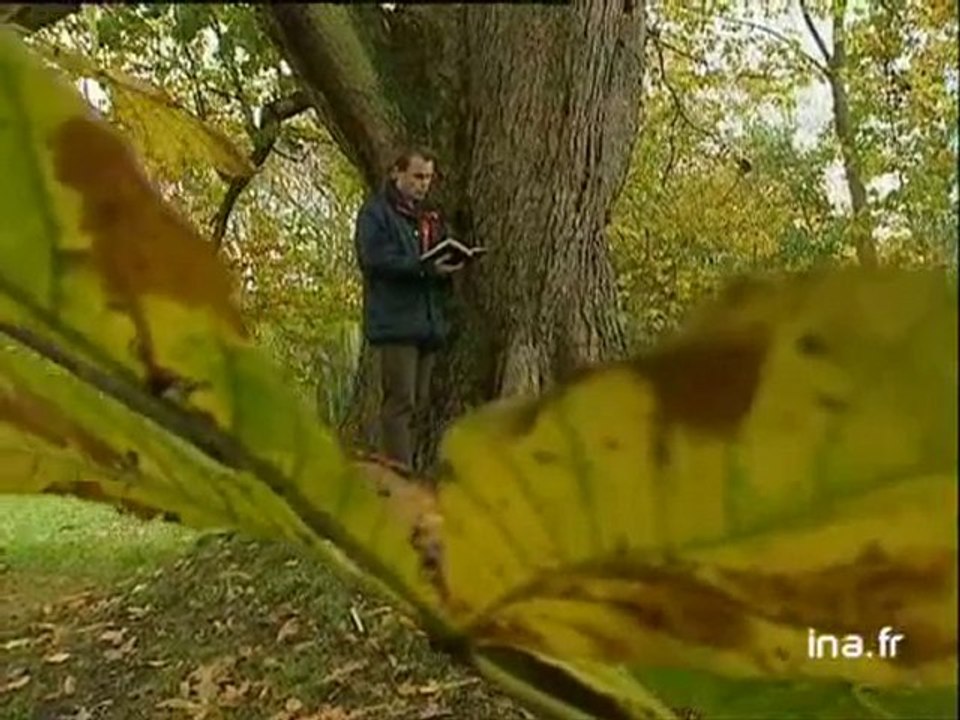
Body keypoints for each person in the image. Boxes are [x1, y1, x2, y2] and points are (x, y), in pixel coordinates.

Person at [354, 147, 463, 472]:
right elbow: (374, 259)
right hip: (395, 321)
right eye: (417, 176)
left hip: (427, 321)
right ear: (396, 173)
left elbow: (433, 257)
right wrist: (421, 267)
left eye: (428, 178)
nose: (423, 184)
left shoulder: (428, 217)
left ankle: (409, 468)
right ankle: (399, 474)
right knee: (400, 401)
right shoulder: (376, 213)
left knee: (420, 404)